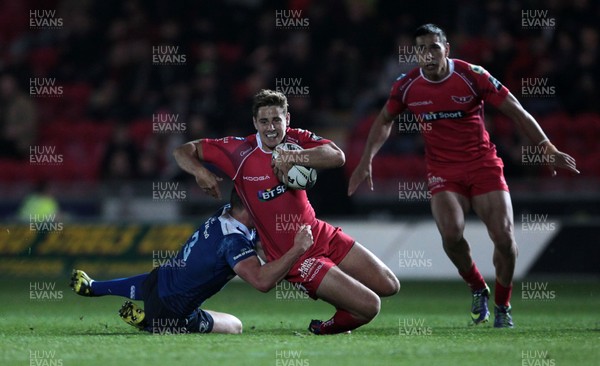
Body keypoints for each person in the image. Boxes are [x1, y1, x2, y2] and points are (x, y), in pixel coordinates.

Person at [348, 24, 579, 328]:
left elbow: (516, 111)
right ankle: (476, 287)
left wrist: (546, 147)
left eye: (433, 47)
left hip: (483, 165)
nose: (428, 55)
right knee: (452, 233)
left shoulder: (472, 75)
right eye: (421, 49)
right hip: (443, 170)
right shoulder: (406, 86)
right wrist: (367, 160)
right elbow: (384, 120)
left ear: (446, 49)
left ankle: (503, 305)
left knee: (505, 239)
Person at [173, 89, 400, 335]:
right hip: (295, 256)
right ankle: (324, 327)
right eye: (264, 121)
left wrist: (294, 156)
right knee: (370, 306)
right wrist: (201, 172)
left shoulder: (296, 139)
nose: (271, 127)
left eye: (276, 120)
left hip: (319, 232)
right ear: (254, 123)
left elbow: (337, 156)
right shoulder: (239, 152)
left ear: (287, 120)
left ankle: (344, 302)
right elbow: (183, 151)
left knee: (389, 285)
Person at [70, 189, 314, 334]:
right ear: (249, 207)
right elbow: (262, 281)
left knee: (167, 280)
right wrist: (296, 250)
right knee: (236, 326)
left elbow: (261, 247)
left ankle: (96, 287)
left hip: (155, 283)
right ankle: (152, 326)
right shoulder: (233, 242)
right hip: (174, 312)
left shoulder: (224, 212)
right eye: (262, 205)